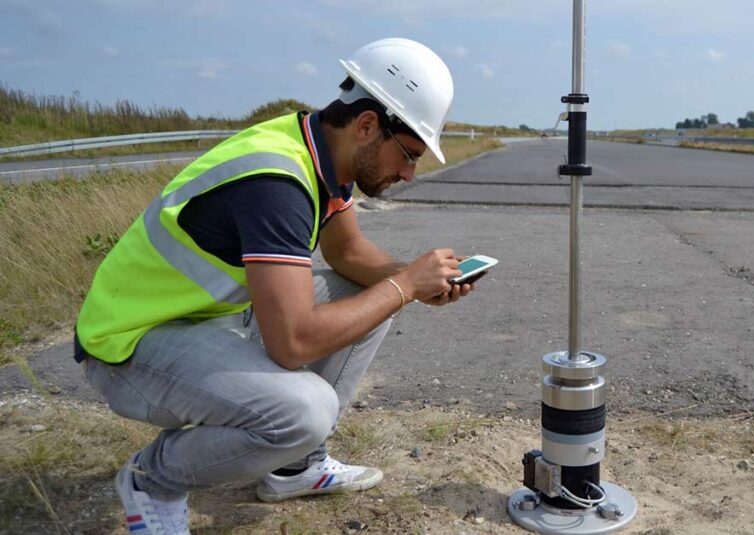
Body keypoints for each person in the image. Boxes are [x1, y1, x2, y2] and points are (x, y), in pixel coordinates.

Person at [74, 38, 474, 534]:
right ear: (368, 125)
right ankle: (151, 479)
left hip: (201, 322)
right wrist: (405, 285)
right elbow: (294, 344)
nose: (409, 173)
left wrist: (415, 279)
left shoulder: (317, 148)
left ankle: (294, 467)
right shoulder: (276, 182)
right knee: (305, 412)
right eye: (409, 155)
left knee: (369, 295)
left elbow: (346, 253)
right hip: (130, 344)